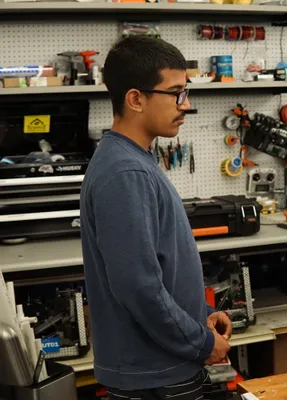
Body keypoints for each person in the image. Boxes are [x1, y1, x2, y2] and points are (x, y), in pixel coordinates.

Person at [80, 36, 231, 400]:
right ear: (135, 99)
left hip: (162, 366)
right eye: (176, 93)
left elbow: (162, 268)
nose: (186, 104)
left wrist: (200, 315)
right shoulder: (125, 174)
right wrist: (200, 343)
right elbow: (140, 287)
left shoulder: (134, 161)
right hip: (155, 377)